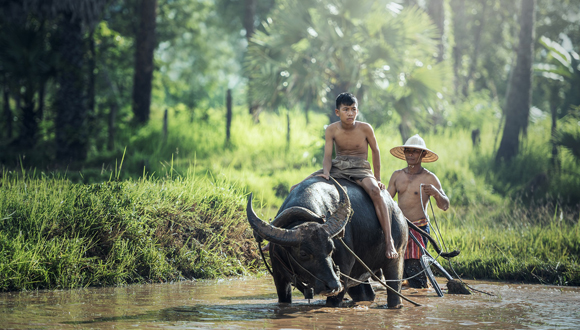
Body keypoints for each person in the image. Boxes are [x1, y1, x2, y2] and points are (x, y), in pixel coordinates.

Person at [291, 92, 398, 259]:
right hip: (338, 166)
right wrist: (326, 173)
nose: (350, 113)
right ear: (337, 112)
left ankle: (389, 240)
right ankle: (279, 236)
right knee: (296, 187)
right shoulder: (331, 129)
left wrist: (377, 178)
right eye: (346, 109)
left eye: (353, 109)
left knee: (376, 193)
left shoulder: (365, 128)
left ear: (357, 111)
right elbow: (327, 156)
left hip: (360, 168)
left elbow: (376, 152)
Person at [387, 134, 449, 288]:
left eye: (415, 152)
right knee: (396, 271)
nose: (410, 155)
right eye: (408, 151)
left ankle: (420, 292)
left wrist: (435, 192)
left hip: (418, 228)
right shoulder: (397, 176)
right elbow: (387, 201)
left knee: (415, 269)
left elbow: (445, 205)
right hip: (399, 228)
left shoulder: (429, 178)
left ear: (423, 154)